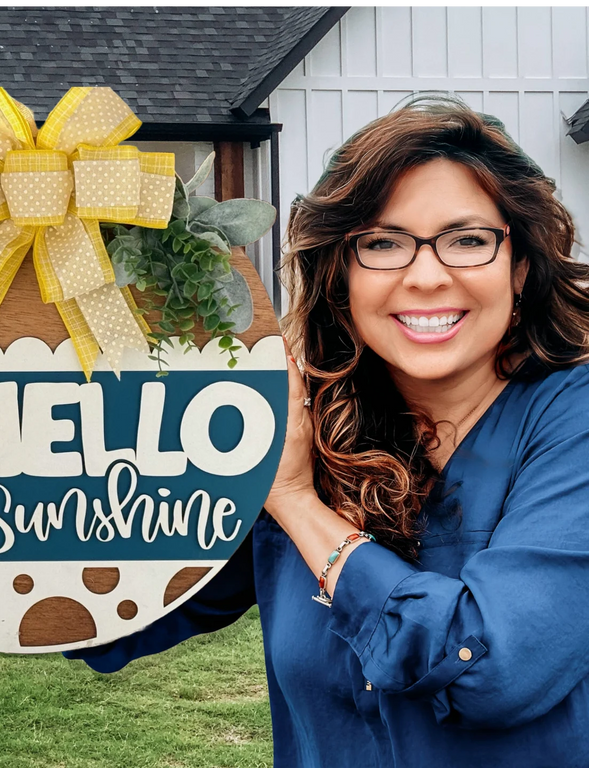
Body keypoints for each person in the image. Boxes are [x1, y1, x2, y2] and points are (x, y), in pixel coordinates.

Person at [66, 97, 589, 767]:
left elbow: (490, 669)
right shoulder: (306, 426)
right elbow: (116, 612)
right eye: (382, 243)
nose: (426, 276)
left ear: (519, 267)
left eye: (467, 240)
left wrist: (293, 502)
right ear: (340, 276)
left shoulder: (569, 422)